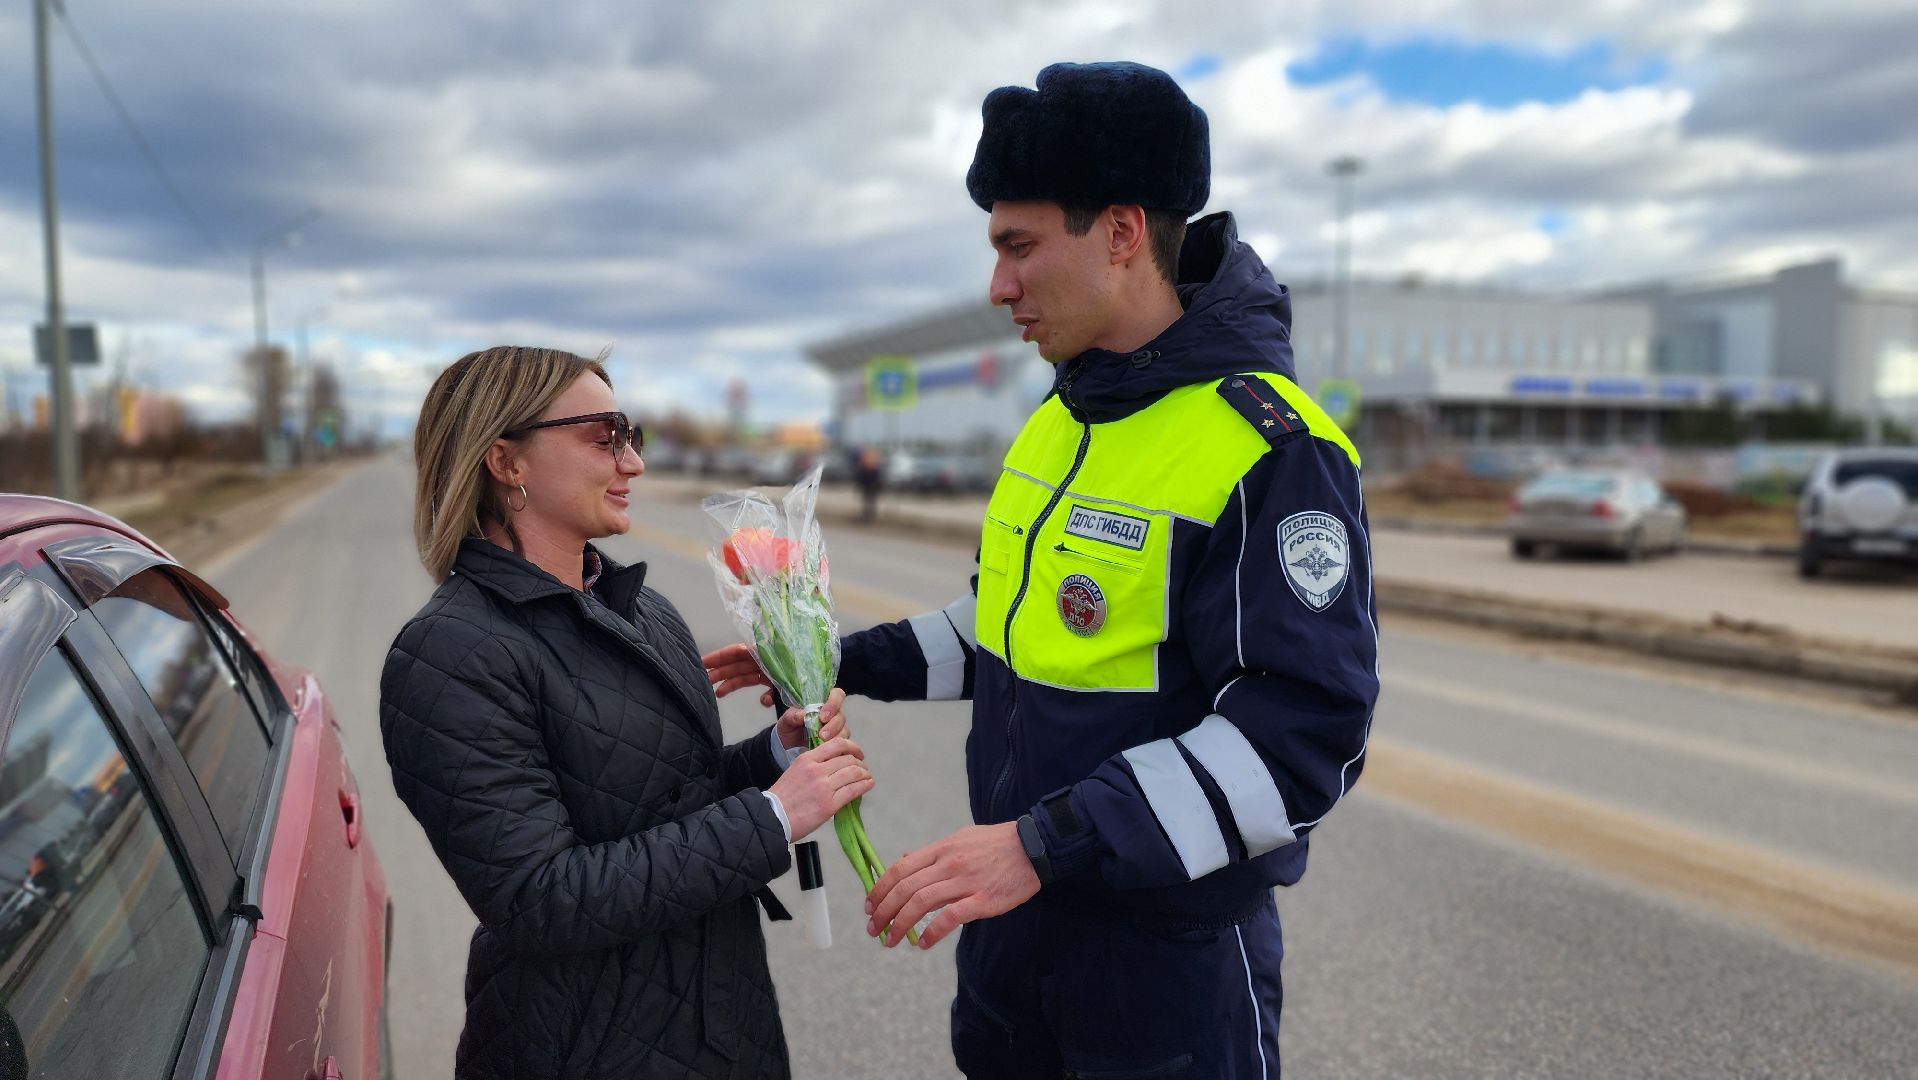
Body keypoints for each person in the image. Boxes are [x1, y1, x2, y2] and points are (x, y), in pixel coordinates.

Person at [706, 62, 1378, 1077]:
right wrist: (835, 661)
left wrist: (1039, 843)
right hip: (1017, 936)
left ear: (1119, 232)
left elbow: (1301, 735)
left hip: (1164, 961)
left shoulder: (1269, 445)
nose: (997, 287)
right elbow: (1005, 630)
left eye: (1018, 247)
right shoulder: (1059, 423)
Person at [380, 346, 873, 1079]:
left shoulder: (642, 607)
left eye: (631, 434)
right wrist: (771, 820)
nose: (634, 463)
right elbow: (537, 897)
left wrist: (777, 757)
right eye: (604, 436)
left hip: (721, 1013)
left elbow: (670, 798)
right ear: (506, 461)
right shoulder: (450, 655)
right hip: (584, 1043)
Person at [854, 444, 884, 522]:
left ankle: (869, 515)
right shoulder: (868, 460)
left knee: (870, 500)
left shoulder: (871, 460)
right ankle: (868, 515)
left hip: (871, 481)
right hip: (868, 482)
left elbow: (877, 470)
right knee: (868, 500)